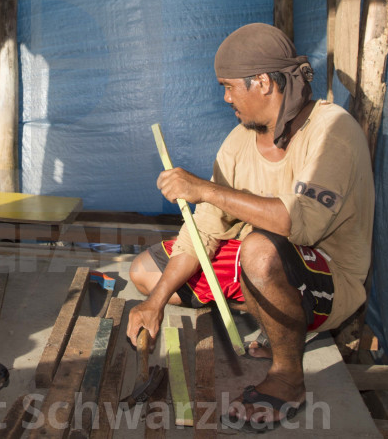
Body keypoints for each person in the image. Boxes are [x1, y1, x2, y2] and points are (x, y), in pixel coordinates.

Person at [125, 23, 374, 431]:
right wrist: (154, 303)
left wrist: (206, 189)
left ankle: (288, 377)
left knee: (258, 249)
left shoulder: (333, 132)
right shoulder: (240, 141)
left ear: (261, 82)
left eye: (228, 86)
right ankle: (271, 319)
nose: (225, 98)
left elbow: (302, 225)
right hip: (260, 262)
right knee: (147, 274)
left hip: (329, 279)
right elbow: (204, 229)